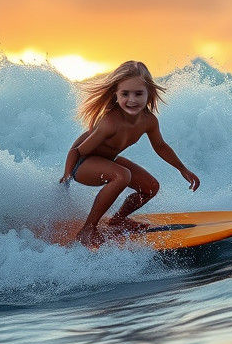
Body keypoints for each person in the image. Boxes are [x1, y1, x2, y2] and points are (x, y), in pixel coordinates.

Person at [61, 60, 200, 246]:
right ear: (115, 94)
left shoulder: (149, 121)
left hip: (108, 160)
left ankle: (118, 219)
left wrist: (182, 169)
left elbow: (160, 146)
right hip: (83, 164)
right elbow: (78, 151)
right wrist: (66, 179)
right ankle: (88, 229)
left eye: (138, 94)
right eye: (125, 94)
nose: (132, 100)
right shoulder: (110, 122)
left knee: (150, 186)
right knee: (122, 175)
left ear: (149, 94)